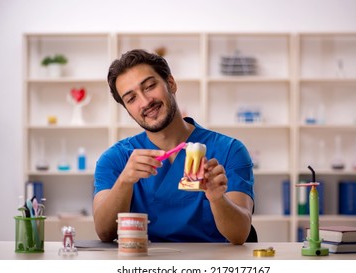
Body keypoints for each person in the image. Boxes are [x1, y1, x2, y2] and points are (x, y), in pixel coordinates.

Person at [93, 49, 255, 245]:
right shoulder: (115, 159)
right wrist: (125, 181)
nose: (145, 102)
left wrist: (217, 198)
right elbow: (104, 232)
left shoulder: (230, 150)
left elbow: (240, 235)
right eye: (131, 99)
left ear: (171, 83)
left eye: (150, 86)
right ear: (127, 110)